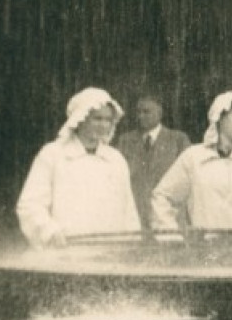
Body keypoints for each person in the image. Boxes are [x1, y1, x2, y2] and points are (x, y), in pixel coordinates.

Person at [16, 87, 143, 249]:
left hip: (111, 254)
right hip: (66, 253)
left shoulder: (116, 160)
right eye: (97, 119)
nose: (104, 125)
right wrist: (50, 231)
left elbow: (129, 212)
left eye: (108, 120)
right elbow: (30, 205)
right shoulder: (53, 155)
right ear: (80, 119)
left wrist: (130, 245)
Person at [152, 90, 232, 231]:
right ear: (220, 117)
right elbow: (163, 197)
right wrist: (171, 236)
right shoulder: (193, 158)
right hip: (205, 248)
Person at [114, 94, 191, 227]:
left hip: (168, 216)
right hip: (137, 215)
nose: (140, 116)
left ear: (159, 113)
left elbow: (188, 180)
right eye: (138, 112)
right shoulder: (125, 141)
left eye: (146, 112)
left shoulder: (178, 140)